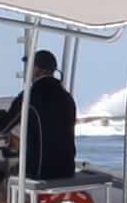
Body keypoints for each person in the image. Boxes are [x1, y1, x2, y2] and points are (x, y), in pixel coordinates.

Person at [16, 48, 80, 185]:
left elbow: (1, 127)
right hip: (67, 169)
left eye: (30, 68)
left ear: (38, 70)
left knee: (6, 175)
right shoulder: (67, 97)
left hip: (41, 171)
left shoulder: (29, 96)